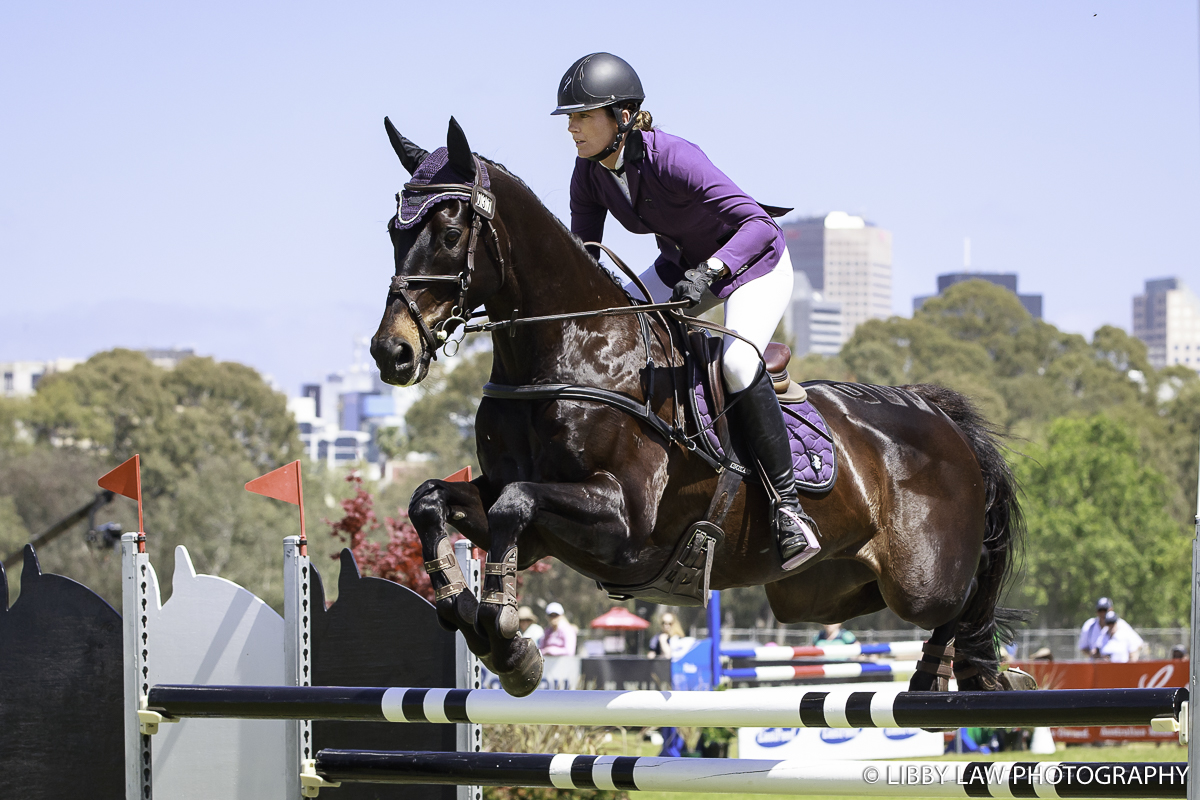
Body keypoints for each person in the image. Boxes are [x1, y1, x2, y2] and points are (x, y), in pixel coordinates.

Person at [552, 52, 820, 571]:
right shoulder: (589, 173)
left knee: (739, 364)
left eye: (583, 115)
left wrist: (716, 269)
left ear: (623, 117)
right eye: (570, 117)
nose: (572, 127)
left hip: (752, 263)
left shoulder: (674, 158)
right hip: (681, 266)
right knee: (615, 339)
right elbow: (584, 253)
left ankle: (788, 509)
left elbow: (760, 226)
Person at [1078, 597, 1144, 661]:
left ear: (1111, 609)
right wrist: (1093, 655)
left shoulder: (1122, 625)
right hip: (1098, 668)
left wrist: (1131, 662)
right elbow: (1083, 647)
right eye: (1100, 610)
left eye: (1105, 610)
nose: (1103, 613)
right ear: (1096, 611)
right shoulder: (1090, 626)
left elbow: (1138, 644)